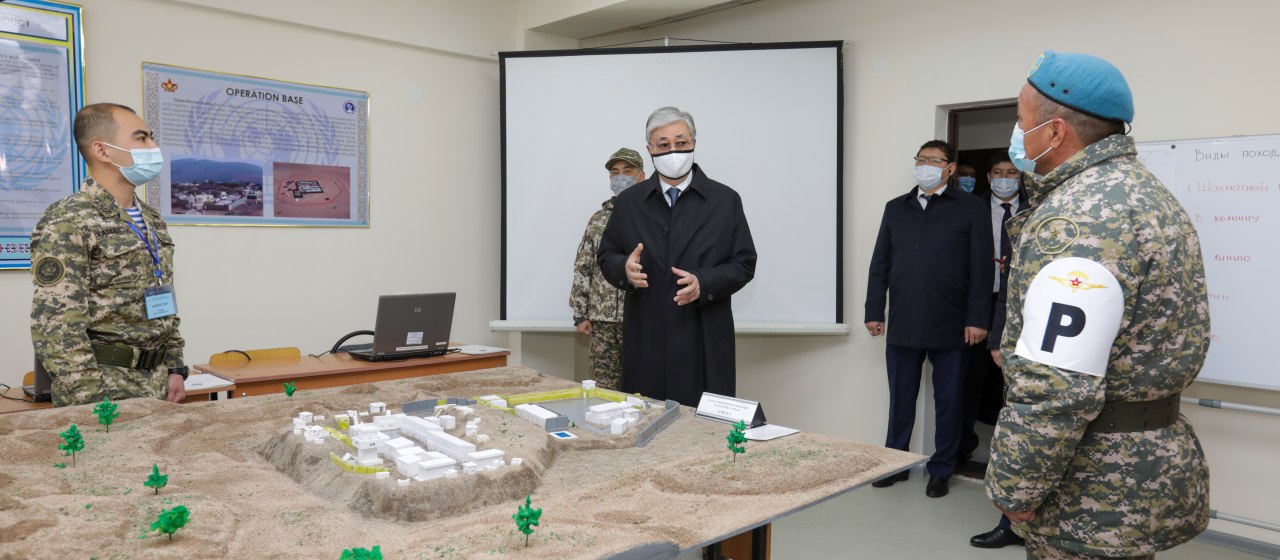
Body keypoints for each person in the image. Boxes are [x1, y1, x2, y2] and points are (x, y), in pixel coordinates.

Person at [986, 51, 1210, 559]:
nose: (1017, 133)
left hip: (1091, 485)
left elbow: (1056, 385)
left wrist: (1015, 488)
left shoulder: (1079, 220)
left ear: (1055, 131)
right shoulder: (1146, 195)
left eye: (1021, 119)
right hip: (1142, 467)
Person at [30, 103, 188, 407]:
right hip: (104, 388)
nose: (153, 147)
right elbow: (57, 325)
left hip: (156, 382)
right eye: (141, 138)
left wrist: (174, 366)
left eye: (151, 138)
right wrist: (91, 401)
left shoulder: (151, 219)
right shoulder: (69, 220)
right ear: (102, 150)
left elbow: (162, 297)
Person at [597, 106, 756, 407]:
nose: (673, 151)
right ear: (650, 149)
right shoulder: (629, 203)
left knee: (704, 428)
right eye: (663, 144)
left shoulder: (725, 200)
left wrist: (704, 282)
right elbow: (607, 255)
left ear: (694, 142)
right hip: (647, 336)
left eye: (681, 143)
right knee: (645, 422)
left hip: (704, 337)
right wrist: (623, 269)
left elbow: (744, 263)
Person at [865, 140, 994, 498]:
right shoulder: (896, 208)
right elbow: (880, 263)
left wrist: (978, 318)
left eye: (935, 161)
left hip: (953, 323)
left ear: (950, 168)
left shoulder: (971, 208)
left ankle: (942, 468)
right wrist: (874, 310)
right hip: (904, 318)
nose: (926, 166)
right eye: (922, 159)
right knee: (900, 400)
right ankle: (896, 464)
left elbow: (982, 269)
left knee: (949, 401)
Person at [964, 151, 1028, 550]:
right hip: (1009, 329)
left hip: (1046, 336)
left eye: (1013, 174)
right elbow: (1005, 291)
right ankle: (1012, 520)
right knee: (1015, 425)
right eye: (999, 173)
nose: (1006, 179)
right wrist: (997, 339)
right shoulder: (980, 213)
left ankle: (1026, 523)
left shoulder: (1039, 214)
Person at [569, 148, 646, 390]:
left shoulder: (652, 216)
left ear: (641, 176)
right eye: (615, 172)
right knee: (605, 388)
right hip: (602, 321)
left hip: (641, 318)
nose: (620, 177)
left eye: (627, 171)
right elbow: (584, 265)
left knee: (642, 387)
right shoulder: (599, 219)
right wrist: (581, 313)